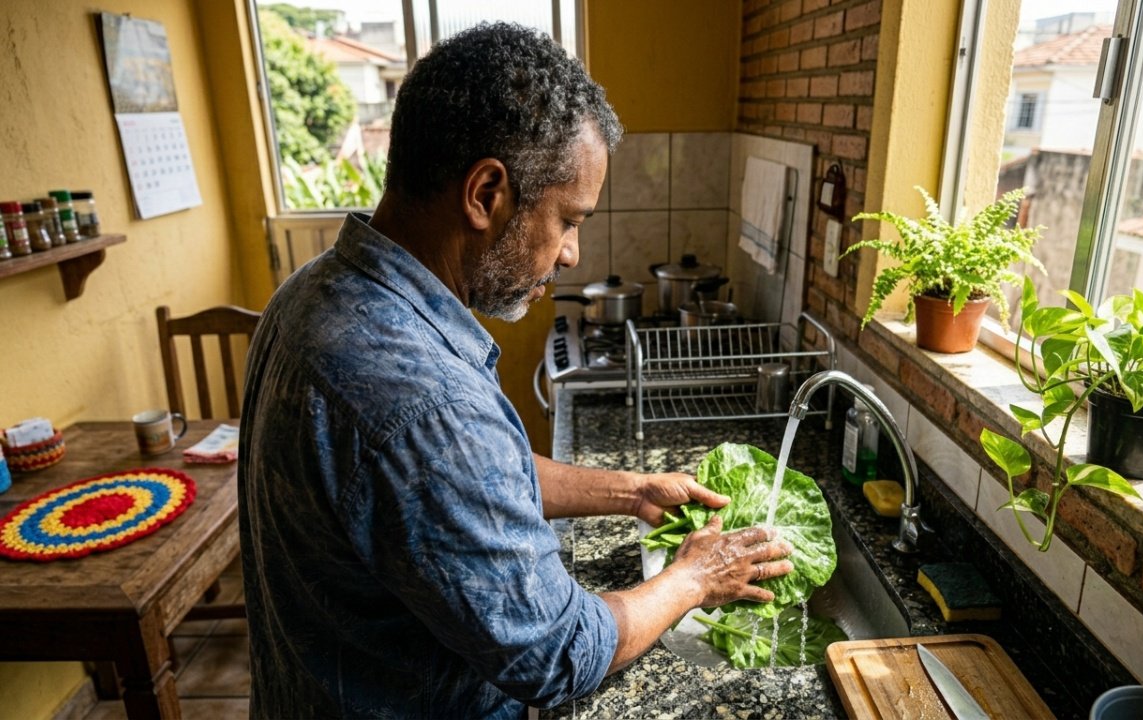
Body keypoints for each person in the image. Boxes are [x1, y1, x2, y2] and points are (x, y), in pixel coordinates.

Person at [237, 22, 793, 719]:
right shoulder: (423, 401)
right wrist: (693, 580)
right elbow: (557, 652)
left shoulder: (313, 291)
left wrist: (630, 491)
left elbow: (463, 483)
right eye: (567, 220)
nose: (572, 255)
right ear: (486, 193)